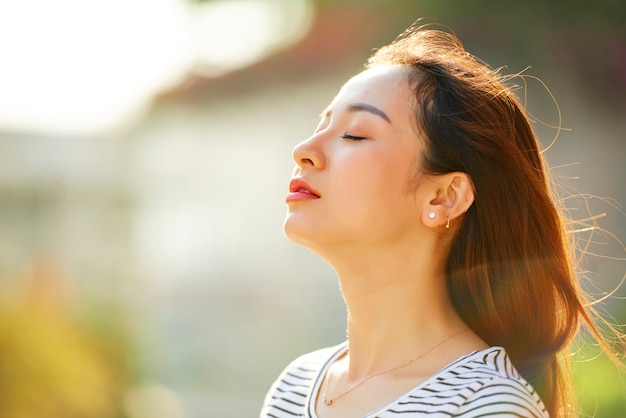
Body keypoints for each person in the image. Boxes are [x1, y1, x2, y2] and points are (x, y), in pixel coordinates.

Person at [260, 23, 623, 418]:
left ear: (444, 196)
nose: (304, 150)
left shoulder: (486, 404)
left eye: (354, 134)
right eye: (321, 125)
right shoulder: (295, 388)